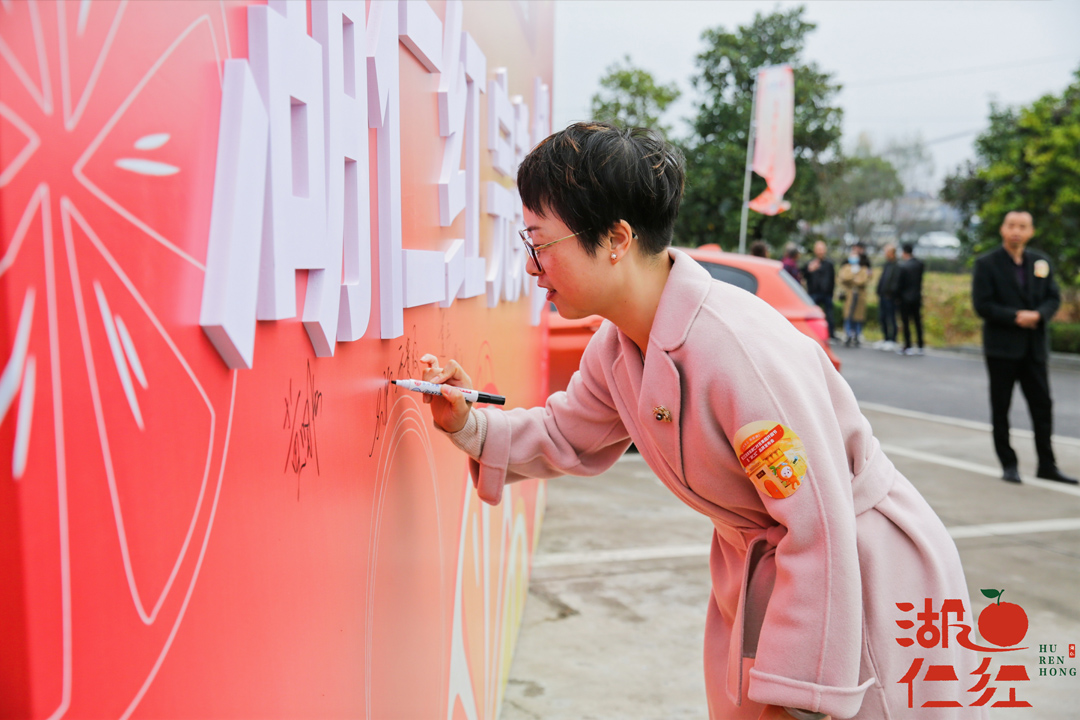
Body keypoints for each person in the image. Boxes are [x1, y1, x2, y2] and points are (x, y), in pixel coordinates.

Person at [419, 122, 982, 720]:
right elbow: (563, 434)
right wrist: (467, 421)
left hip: (859, 584)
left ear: (616, 238)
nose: (532, 267)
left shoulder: (737, 351)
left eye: (540, 242)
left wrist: (798, 697)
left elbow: (816, 528)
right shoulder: (618, 346)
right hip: (770, 568)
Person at [972, 211, 1077, 485]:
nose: (1016, 231)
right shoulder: (986, 263)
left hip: (1034, 348)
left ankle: (1047, 464)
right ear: (1002, 229)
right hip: (1002, 349)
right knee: (1001, 407)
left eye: (1023, 226)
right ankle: (1009, 463)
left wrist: (1039, 315)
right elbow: (982, 305)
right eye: (1011, 226)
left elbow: (1053, 297)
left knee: (1043, 406)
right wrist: (1016, 316)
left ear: (1031, 231)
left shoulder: (1041, 261)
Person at [802, 240, 836, 340]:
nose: (820, 252)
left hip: (826, 293)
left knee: (829, 314)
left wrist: (831, 292)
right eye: (818, 249)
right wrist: (809, 270)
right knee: (812, 314)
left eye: (822, 249)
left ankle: (831, 334)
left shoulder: (829, 264)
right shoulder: (811, 263)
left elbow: (832, 279)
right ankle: (811, 332)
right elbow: (804, 275)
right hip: (814, 292)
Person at [837, 244, 869, 347]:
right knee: (848, 314)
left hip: (859, 295)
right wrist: (854, 277)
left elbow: (863, 280)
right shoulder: (846, 267)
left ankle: (857, 334)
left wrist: (852, 279)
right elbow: (843, 277)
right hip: (849, 295)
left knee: (858, 316)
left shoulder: (863, 268)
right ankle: (848, 333)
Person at [895, 242, 924, 355]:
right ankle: (921, 345)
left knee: (906, 323)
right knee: (917, 322)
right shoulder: (920, 264)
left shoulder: (903, 266)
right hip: (916, 297)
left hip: (904, 299)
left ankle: (908, 345)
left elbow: (899, 284)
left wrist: (897, 297)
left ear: (904, 252)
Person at [874, 244, 900, 350]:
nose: (886, 254)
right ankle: (885, 338)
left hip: (891, 297)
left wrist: (891, 293)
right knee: (883, 318)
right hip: (883, 296)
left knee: (891, 318)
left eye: (887, 252)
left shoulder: (897, 266)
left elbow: (895, 282)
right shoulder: (887, 265)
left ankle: (892, 340)